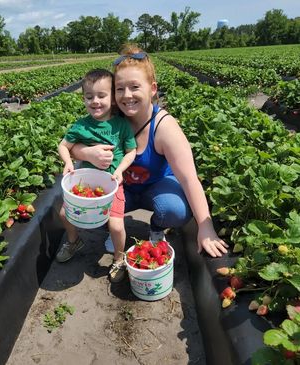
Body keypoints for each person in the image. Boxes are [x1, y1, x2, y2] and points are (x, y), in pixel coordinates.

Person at [70, 45, 229, 258]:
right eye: (119, 88)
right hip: (121, 188)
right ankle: (113, 227)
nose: (127, 95)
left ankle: (156, 228)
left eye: (135, 87)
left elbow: (190, 178)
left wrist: (205, 226)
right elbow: (71, 146)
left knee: (175, 209)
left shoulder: (163, 126)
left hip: (157, 187)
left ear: (152, 88)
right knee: (92, 209)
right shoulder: (109, 117)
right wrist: (87, 154)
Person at [56, 68, 137, 282]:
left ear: (112, 98)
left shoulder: (120, 125)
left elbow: (132, 151)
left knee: (116, 225)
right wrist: (67, 162)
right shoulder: (81, 125)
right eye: (89, 96)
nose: (95, 101)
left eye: (101, 96)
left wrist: (120, 171)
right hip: (85, 185)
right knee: (64, 214)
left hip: (112, 183)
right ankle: (74, 241)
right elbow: (63, 146)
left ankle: (119, 259)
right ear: (83, 98)